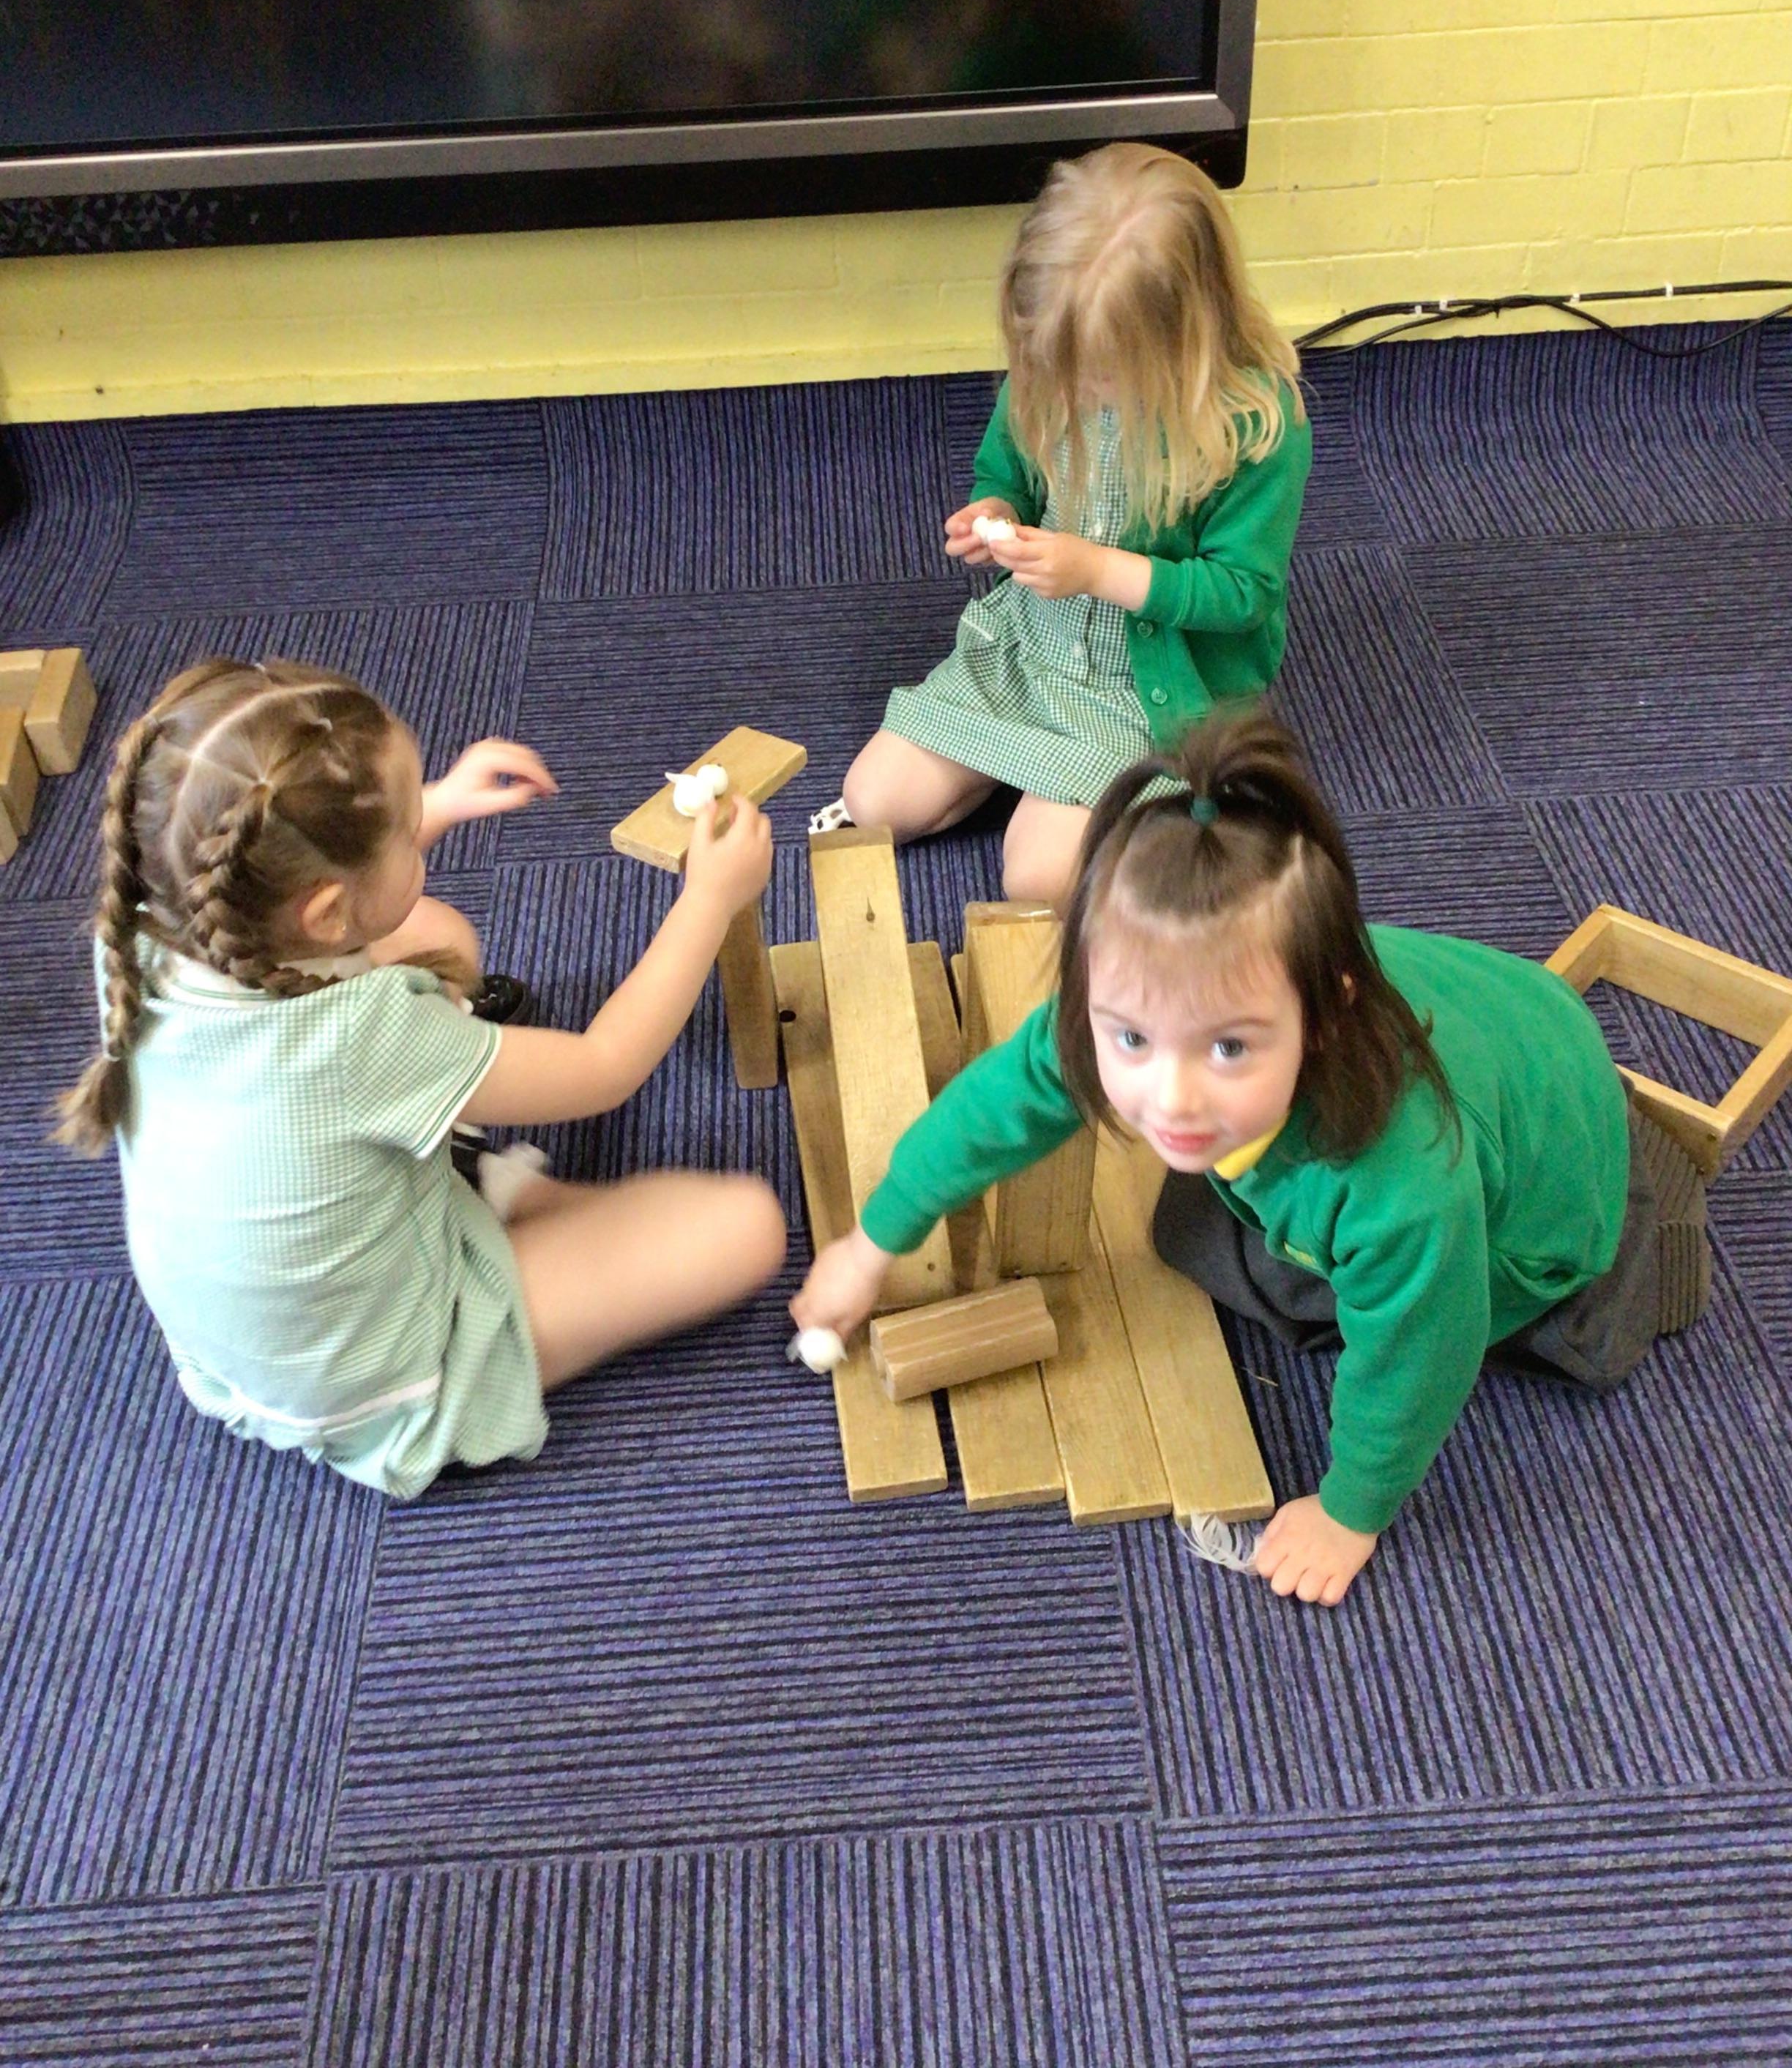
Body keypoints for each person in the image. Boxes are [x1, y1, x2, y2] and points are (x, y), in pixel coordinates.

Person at [794, 705, 1673, 1608]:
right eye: (1131, 1039)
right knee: (1196, 1220)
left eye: (1226, 1047)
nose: (1171, 1097)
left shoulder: (1402, 1185)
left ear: (1323, 1016)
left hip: (1550, 1193)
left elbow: (1418, 1360)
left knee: (1320, 1286)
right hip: (1513, 1020)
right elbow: (996, 1107)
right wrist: (873, 1242)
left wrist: (1351, 1512)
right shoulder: (1158, 988)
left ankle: (1604, 1281)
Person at [55, 656, 786, 1499]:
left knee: (436, 939)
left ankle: (494, 1200)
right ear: (326, 910)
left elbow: (313, 891)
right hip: (383, 1376)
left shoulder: (142, 929)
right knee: (745, 1227)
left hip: (247, 1344)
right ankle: (493, 1218)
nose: (421, 831)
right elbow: (603, 1067)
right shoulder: (364, 1040)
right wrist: (708, 901)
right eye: (406, 832)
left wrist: (428, 807)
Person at [835, 141, 1310, 910]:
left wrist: (1096, 571)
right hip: (1032, 650)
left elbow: (1243, 593)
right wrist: (997, 511)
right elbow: (1008, 471)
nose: (1078, 390)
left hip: (1146, 693)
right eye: (1060, 365)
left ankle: (1088, 790)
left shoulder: (1254, 426)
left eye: (1104, 374)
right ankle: (1028, 768)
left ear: (1187, 338)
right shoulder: (1054, 367)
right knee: (872, 802)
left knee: (1036, 880)